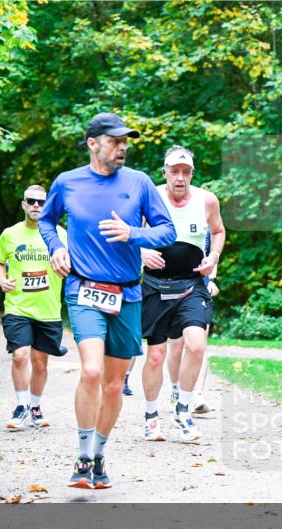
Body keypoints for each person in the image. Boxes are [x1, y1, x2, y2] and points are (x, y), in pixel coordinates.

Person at [38, 112, 176, 490]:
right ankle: (82, 457)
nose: (122, 148)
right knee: (92, 372)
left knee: (114, 385)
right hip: (83, 290)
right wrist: (56, 248)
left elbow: (167, 232)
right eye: (115, 141)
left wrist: (132, 233)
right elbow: (46, 221)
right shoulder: (68, 183)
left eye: (125, 142)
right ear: (93, 144)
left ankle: (99, 455)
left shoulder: (140, 183)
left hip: (128, 293)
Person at [140, 145, 225, 442]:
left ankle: (184, 410)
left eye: (185, 172)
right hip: (155, 286)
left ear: (192, 174)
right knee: (155, 356)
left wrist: (212, 257)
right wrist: (141, 253)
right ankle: (151, 417)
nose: (180, 178)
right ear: (164, 172)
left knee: (197, 346)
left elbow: (218, 231)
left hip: (191, 286)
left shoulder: (206, 200)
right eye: (174, 172)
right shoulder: (149, 196)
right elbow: (130, 232)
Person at [0, 184, 70, 430]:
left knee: (40, 362)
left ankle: (35, 407)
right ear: (24, 204)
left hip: (48, 309)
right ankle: (21, 405)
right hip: (18, 307)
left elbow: (74, 261)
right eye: (31, 201)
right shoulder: (10, 234)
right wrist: (1, 280)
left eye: (41, 202)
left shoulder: (60, 233)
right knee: (20, 355)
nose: (36, 205)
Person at [165, 228, 220, 414]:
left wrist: (211, 279)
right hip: (173, 286)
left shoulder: (208, 219)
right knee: (176, 346)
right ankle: (174, 390)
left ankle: (196, 394)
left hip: (200, 288)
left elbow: (213, 253)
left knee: (198, 345)